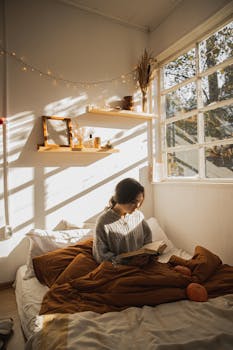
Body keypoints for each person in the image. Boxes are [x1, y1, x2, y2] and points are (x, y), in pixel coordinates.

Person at [93, 178, 152, 266]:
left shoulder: (138, 216)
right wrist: (127, 262)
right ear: (121, 199)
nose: (137, 206)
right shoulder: (103, 222)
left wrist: (148, 255)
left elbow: (148, 241)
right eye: (133, 202)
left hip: (142, 265)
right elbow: (100, 256)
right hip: (119, 269)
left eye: (140, 202)